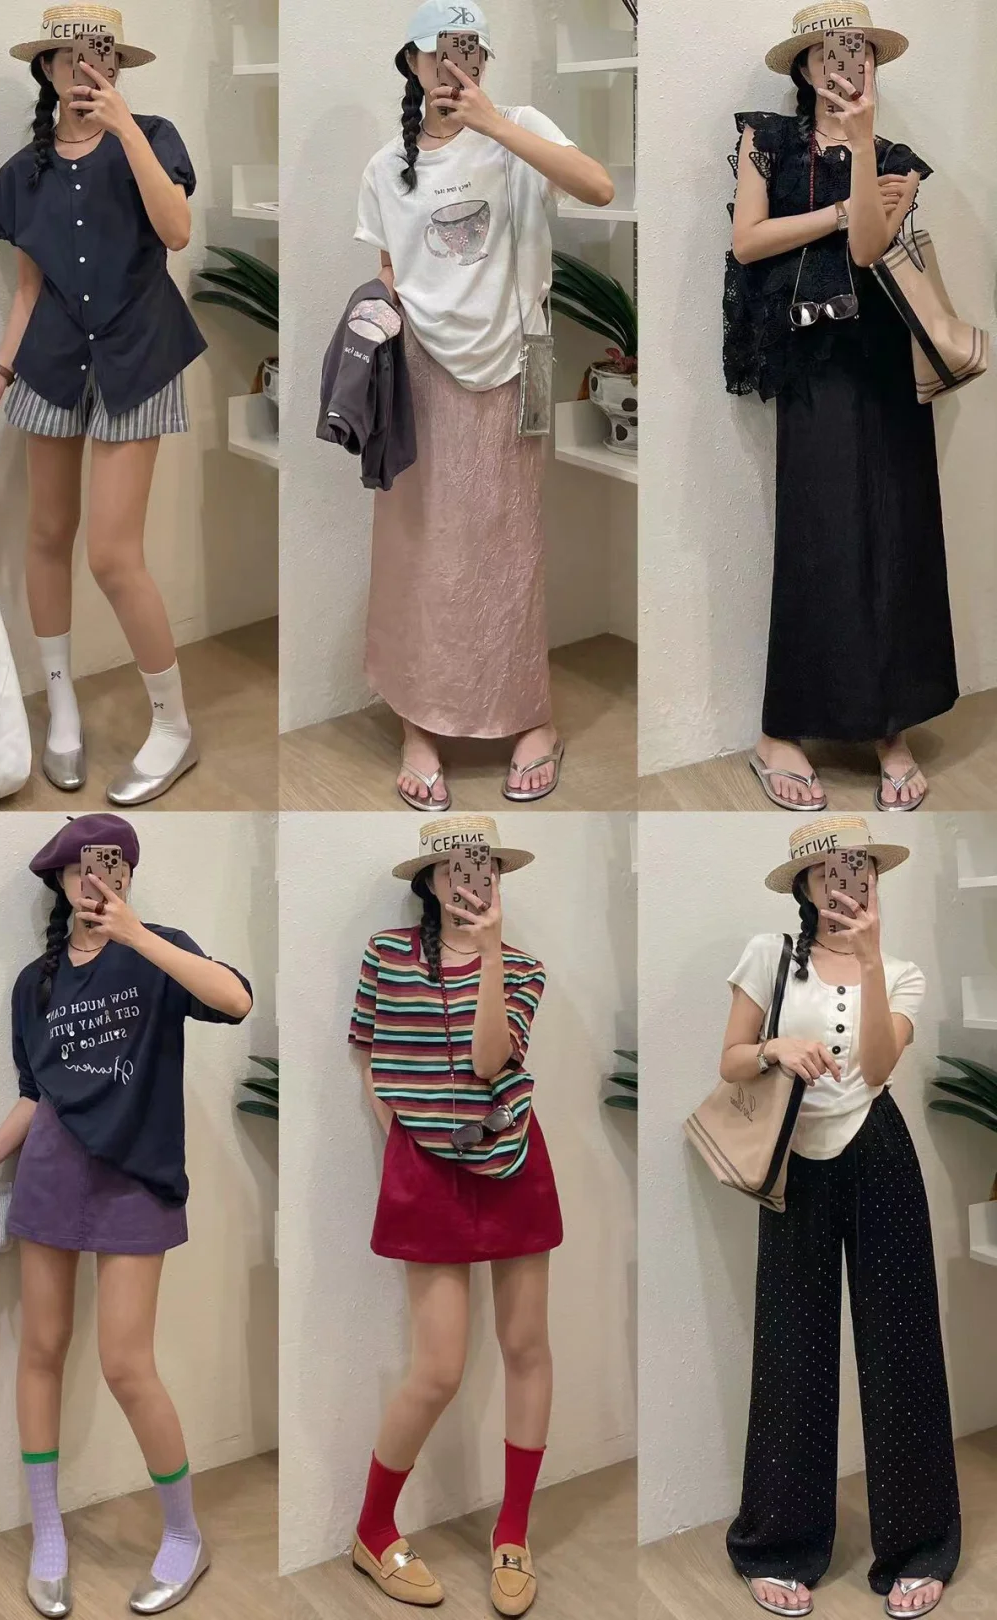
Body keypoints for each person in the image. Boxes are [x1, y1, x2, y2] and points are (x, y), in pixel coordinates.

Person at [0, 813, 253, 1617]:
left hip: (137, 1179)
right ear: (59, 881)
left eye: (108, 865)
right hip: (50, 1178)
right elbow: (35, 1095)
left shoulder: (158, 951)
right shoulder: (34, 982)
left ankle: (184, 1534)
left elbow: (236, 1000)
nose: (93, 878)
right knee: (41, 1349)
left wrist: (136, 934)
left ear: (127, 875)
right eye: (77, 867)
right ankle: (48, 1533)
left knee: (126, 1364)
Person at [355, 1, 616, 811]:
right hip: (420, 369)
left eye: (469, 50)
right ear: (411, 61)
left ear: (485, 58)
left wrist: (493, 124)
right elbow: (391, 272)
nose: (453, 66)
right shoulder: (384, 168)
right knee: (418, 546)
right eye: (439, 51)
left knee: (510, 545)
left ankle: (532, 717)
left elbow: (598, 187)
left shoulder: (521, 129)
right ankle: (418, 725)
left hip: (516, 361)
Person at [0, 6, 207, 805]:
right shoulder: (20, 173)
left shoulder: (154, 137)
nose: (86, 68)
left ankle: (174, 726)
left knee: (112, 555)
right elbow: (30, 290)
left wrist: (124, 125)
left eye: (101, 56)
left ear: (117, 65)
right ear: (46, 67)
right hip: (53, 361)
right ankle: (61, 706)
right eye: (69, 56)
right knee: (46, 534)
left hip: (138, 355)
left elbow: (176, 232)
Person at [720, 816, 958, 1618]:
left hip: (880, 1154)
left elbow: (880, 1067)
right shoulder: (768, 955)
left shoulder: (903, 971)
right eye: (826, 870)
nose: (843, 881)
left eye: (858, 867)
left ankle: (919, 1548)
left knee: (902, 1352)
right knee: (792, 1353)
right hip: (793, 1160)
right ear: (803, 883)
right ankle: (777, 1547)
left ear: (874, 879)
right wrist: (775, 1049)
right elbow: (730, 1058)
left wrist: (871, 958)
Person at [724, 6, 958, 814]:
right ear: (804, 66)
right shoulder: (766, 140)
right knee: (820, 538)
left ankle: (890, 729)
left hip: (885, 361)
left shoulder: (894, 161)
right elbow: (747, 241)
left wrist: (860, 147)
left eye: (858, 54)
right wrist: (835, 210)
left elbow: (867, 251)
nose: (845, 67)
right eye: (829, 53)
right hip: (810, 363)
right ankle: (779, 732)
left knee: (899, 538)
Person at [348, 815, 562, 1614]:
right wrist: (402, 1137)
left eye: (483, 867)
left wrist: (492, 953)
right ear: (429, 881)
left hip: (512, 1161)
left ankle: (513, 1531)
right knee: (437, 1368)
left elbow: (487, 1060)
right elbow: (366, 1049)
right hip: (425, 1173)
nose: (471, 880)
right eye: (454, 867)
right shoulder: (386, 954)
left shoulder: (525, 968)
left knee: (526, 1346)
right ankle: (372, 1528)